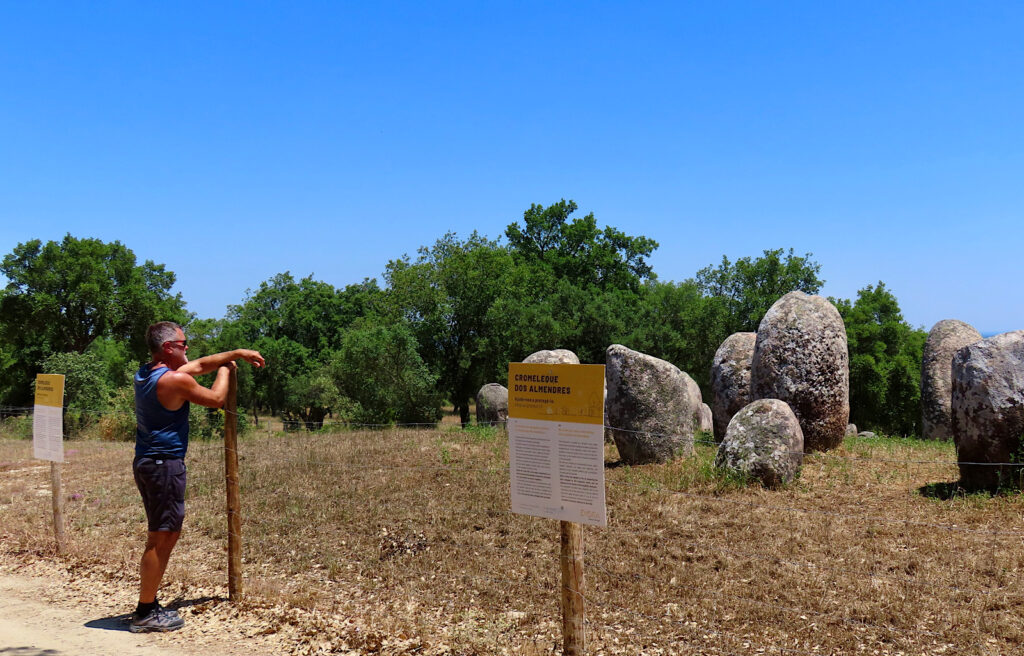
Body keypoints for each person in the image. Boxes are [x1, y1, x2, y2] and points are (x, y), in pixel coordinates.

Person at [130, 321, 264, 633]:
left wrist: (235, 353)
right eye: (183, 343)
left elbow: (199, 365)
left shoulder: (146, 373)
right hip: (164, 465)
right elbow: (216, 399)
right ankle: (145, 611)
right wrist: (227, 370)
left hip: (147, 461)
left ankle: (147, 606)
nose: (187, 347)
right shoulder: (175, 381)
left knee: (163, 534)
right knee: (161, 537)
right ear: (168, 347)